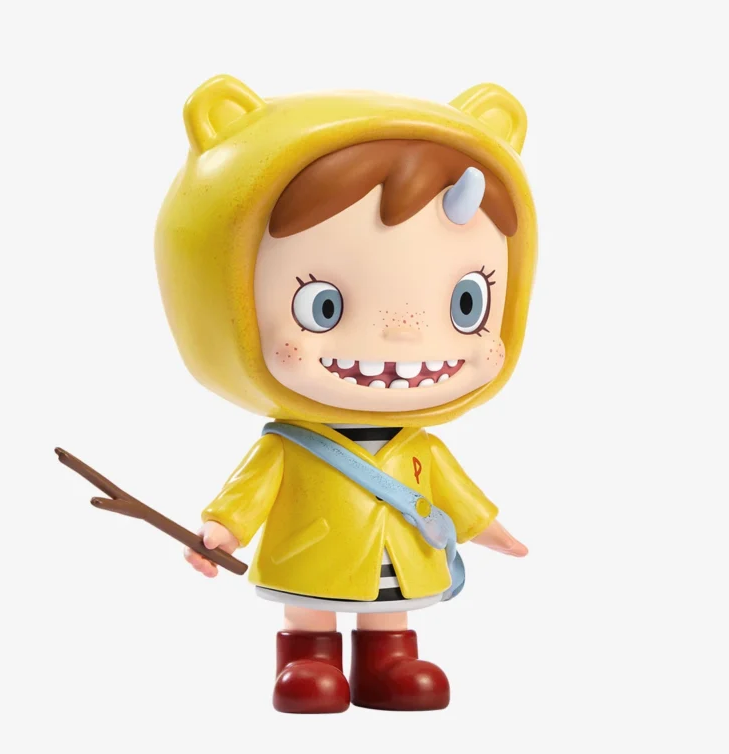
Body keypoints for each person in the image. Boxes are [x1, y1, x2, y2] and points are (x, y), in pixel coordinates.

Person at [155, 75, 537, 713]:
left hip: (401, 565)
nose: (403, 336)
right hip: (312, 561)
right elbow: (248, 494)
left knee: (391, 621)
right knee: (311, 615)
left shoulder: (419, 447)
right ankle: (307, 658)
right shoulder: (290, 445)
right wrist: (222, 531)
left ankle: (389, 662)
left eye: (465, 304)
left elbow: (456, 496)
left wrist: (492, 531)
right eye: (322, 305)